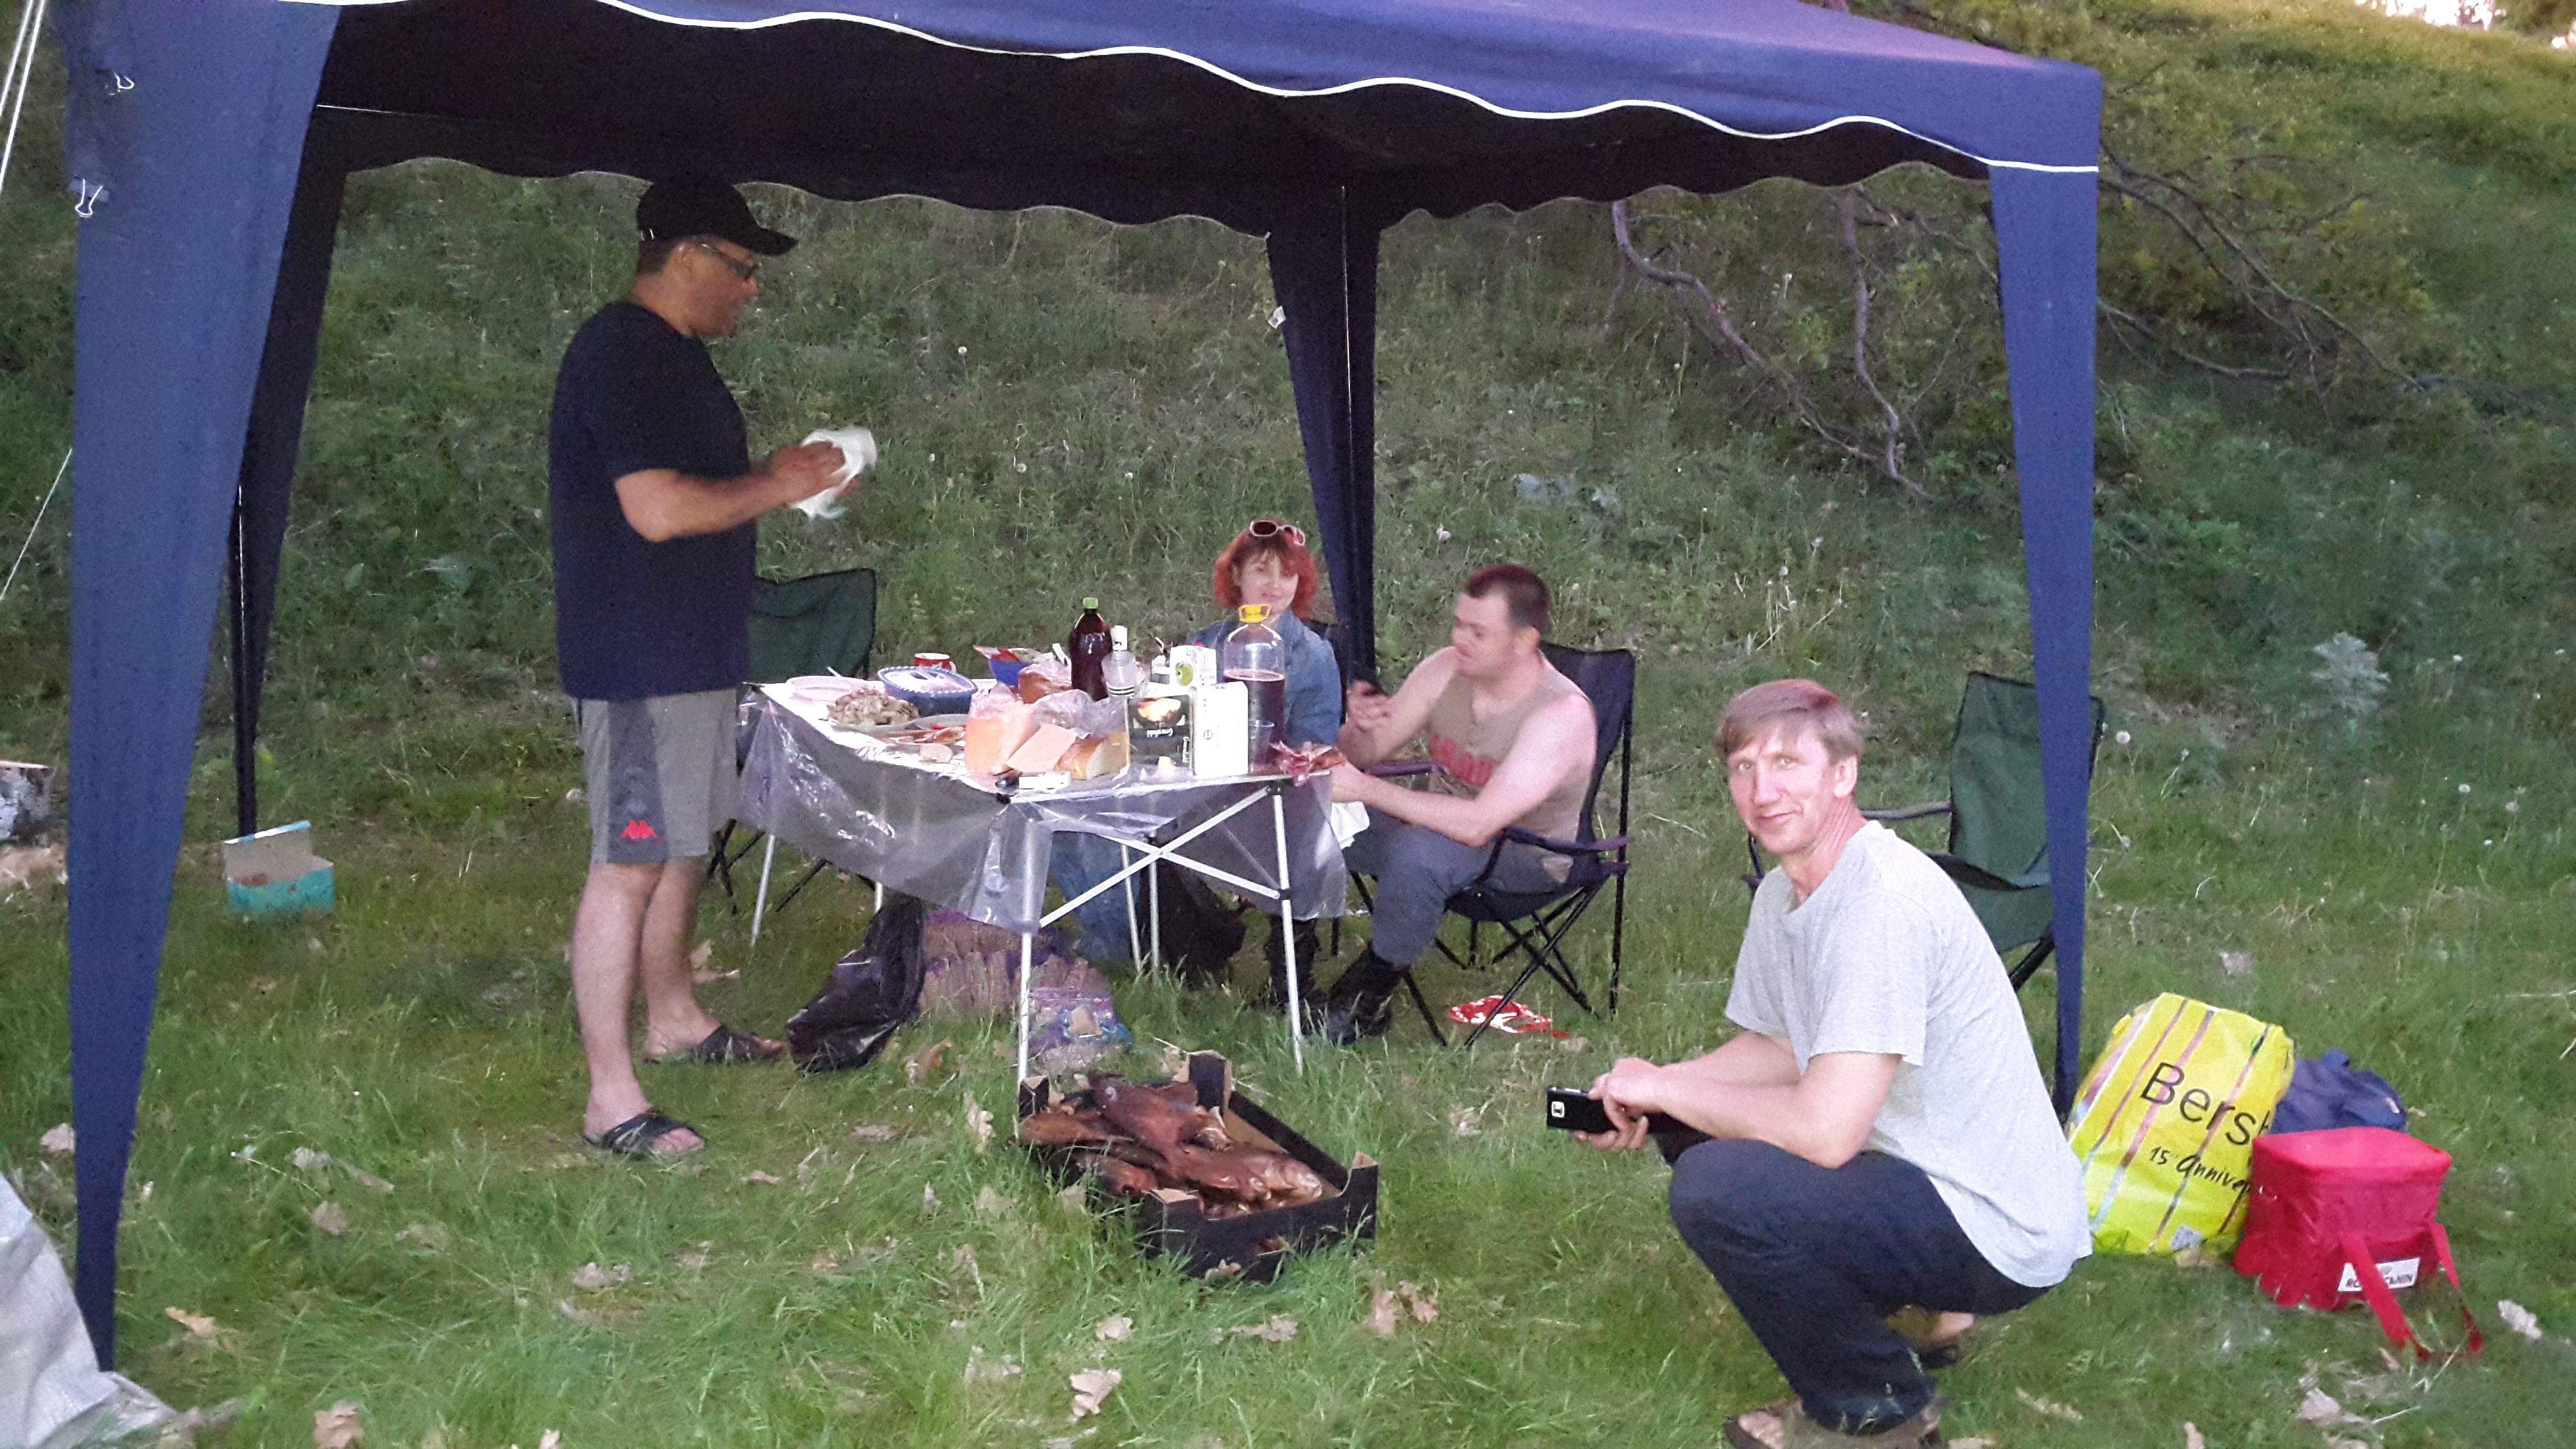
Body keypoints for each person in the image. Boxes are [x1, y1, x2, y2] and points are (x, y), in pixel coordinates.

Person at [1574, 680, 2087, 1448]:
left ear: (1844, 773)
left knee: (1719, 1186)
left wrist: (1668, 1090)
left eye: (1788, 763)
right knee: (1691, 1125)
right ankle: (1918, 1310)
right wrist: (1654, 1092)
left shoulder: (1882, 902)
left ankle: (1877, 1414)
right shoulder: (1785, 894)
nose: (1763, 790)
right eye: (1744, 768)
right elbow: (1779, 1048)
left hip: (1996, 1221)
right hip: (1918, 1165)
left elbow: (1823, 1133)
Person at [550, 177, 854, 1158]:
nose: (752, 289)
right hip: (640, 655)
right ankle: (609, 1099)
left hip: (690, 647)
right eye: (742, 267)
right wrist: (775, 486)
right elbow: (656, 510)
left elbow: (701, 489)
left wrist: (779, 478)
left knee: (681, 844)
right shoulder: (620, 351)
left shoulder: (675, 358)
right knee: (630, 860)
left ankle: (675, 1016)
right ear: (687, 256)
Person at [1053, 518, 1342, 1004]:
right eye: (1263, 570)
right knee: (1091, 812)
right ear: (1237, 576)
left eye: (1288, 574)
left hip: (1274, 795)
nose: (1275, 584)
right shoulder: (1204, 645)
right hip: (1195, 786)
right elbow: (1171, 723)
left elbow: (1313, 752)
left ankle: (1237, 952)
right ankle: (1136, 945)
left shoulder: (1314, 656)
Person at [1321, 564, 1594, 1044]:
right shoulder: (1446, 668)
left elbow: (1479, 825)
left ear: (1524, 642)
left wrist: (1366, 790)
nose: (1460, 639)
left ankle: (1368, 998)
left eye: (1478, 632)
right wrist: (1355, 727)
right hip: (1435, 825)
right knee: (1314, 809)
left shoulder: (1561, 715)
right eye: (1459, 624)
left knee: (1420, 853)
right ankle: (1287, 958)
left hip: (1523, 854)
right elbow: (1365, 752)